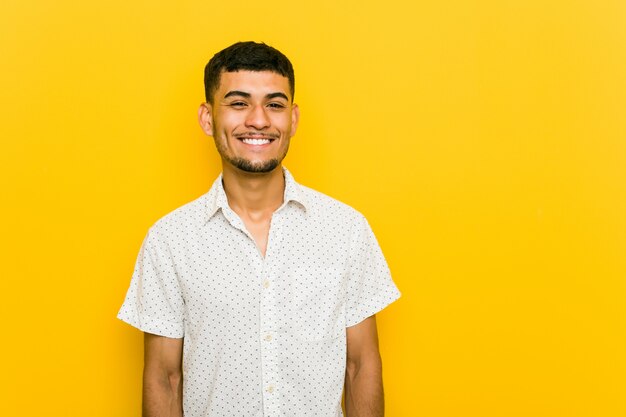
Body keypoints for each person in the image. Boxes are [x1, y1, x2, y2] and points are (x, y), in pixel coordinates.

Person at [118, 41, 400, 417]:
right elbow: (163, 378)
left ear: (293, 119)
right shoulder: (170, 240)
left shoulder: (346, 229)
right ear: (207, 118)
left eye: (275, 104)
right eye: (238, 103)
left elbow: (361, 365)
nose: (258, 120)